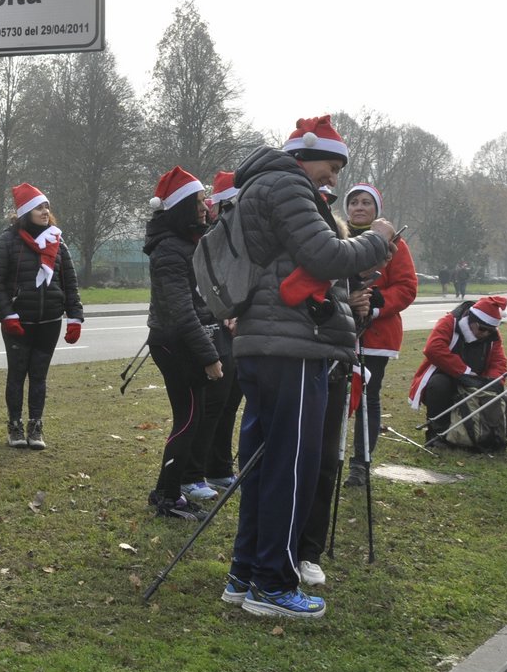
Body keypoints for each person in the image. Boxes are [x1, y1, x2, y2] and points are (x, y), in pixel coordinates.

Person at [223, 115, 395, 620]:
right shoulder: (287, 184)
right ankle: (273, 583)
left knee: (261, 461)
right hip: (293, 346)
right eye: (331, 166)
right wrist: (379, 238)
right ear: (305, 155)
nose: (334, 180)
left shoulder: (260, 185)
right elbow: (321, 254)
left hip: (266, 342)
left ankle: (245, 572)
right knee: (290, 465)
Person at [140, 167, 223, 518]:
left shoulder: (184, 243)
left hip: (180, 341)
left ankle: (167, 490)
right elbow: (181, 311)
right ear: (183, 207)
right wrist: (209, 356)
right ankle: (168, 495)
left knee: (191, 417)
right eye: (200, 202)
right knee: (188, 420)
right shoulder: (170, 250)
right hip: (174, 344)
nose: (206, 208)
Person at [0, 182, 83, 453]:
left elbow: (70, 282)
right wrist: (7, 314)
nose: (45, 211)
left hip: (49, 321)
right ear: (26, 211)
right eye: (40, 207)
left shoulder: (56, 240)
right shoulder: (8, 240)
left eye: (47, 207)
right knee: (17, 375)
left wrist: (75, 316)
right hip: (19, 321)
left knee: (39, 376)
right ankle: (15, 425)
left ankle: (35, 425)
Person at [342, 184, 417, 485]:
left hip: (376, 334)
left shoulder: (395, 243)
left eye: (365, 203)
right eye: (354, 202)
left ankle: (361, 462)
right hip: (337, 330)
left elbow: (406, 286)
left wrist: (375, 303)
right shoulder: (335, 236)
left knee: (368, 396)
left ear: (376, 210)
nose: (359, 207)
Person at [407, 295, 507, 448]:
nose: (485, 334)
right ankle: (437, 433)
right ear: (471, 320)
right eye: (482, 329)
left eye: (490, 331)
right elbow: (433, 348)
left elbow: (498, 361)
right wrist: (464, 372)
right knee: (439, 385)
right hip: (445, 375)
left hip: (476, 381)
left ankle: (488, 433)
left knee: (499, 396)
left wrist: (491, 382)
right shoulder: (449, 322)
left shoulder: (492, 336)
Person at [199, 171, 241, 491]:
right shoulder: (215, 234)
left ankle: (220, 466)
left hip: (240, 327)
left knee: (231, 399)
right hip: (220, 326)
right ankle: (207, 467)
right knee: (218, 401)